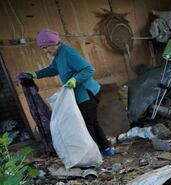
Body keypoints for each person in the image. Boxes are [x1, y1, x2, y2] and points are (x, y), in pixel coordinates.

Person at [17, 28, 113, 157]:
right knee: (92, 122)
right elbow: (53, 69)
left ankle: (94, 154)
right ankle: (106, 149)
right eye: (43, 48)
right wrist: (34, 74)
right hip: (80, 95)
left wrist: (75, 79)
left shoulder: (69, 53)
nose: (45, 51)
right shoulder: (59, 55)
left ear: (53, 44)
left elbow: (88, 69)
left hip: (87, 94)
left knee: (87, 124)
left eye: (45, 47)